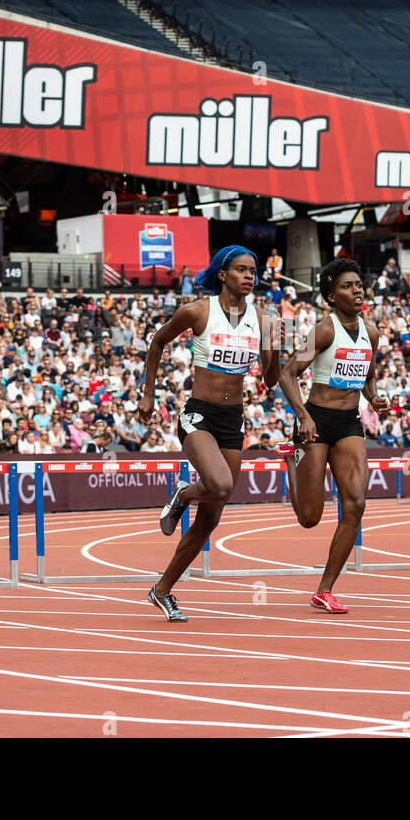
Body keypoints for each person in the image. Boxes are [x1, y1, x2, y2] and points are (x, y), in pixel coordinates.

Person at [137, 245, 282, 622]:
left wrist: (276, 347)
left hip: (233, 419)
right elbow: (157, 341)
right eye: (241, 270)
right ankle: (183, 494)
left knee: (211, 518)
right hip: (198, 415)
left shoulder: (263, 319)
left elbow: (269, 380)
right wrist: (149, 392)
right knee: (217, 486)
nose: (249, 276)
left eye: (253, 271)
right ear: (222, 274)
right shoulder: (198, 311)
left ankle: (162, 590)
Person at [277, 259, 389, 614]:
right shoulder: (325, 331)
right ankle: (292, 460)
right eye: (347, 286)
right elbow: (287, 373)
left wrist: (374, 397)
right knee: (309, 518)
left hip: (349, 424)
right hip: (317, 422)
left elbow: (368, 376)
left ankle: (324, 589)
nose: (357, 290)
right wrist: (304, 417)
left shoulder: (371, 333)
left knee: (356, 504)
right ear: (330, 296)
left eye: (359, 284)